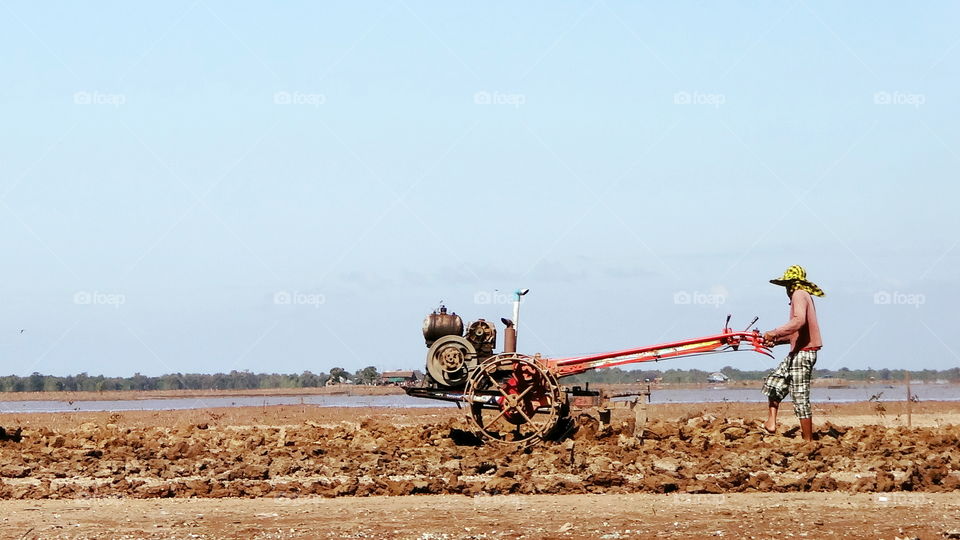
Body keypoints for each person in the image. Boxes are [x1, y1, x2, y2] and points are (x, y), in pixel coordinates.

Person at [761, 265, 824, 442]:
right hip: (796, 352)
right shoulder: (802, 296)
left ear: (791, 284)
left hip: (804, 354)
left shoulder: (799, 294)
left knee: (800, 395)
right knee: (775, 382)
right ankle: (771, 423)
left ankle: (808, 440)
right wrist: (776, 340)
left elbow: (798, 322)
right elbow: (796, 333)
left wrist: (774, 332)